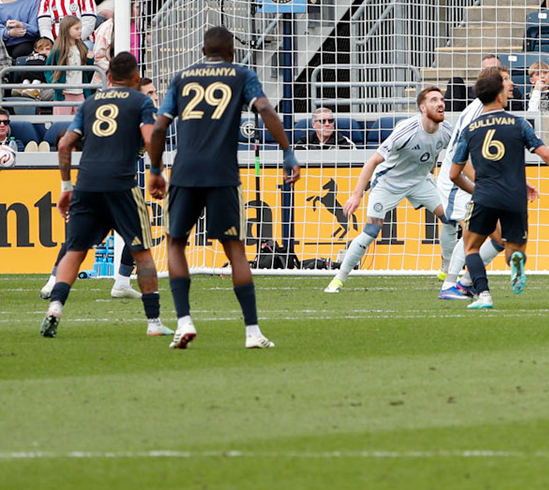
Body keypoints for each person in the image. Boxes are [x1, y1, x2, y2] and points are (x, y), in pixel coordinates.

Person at [147, 26, 299, 350]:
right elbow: (266, 110)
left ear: (203, 51)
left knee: (175, 243)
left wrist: (156, 170)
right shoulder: (241, 75)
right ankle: (252, 331)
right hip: (223, 174)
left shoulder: (182, 78)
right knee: (235, 250)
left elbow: (159, 128)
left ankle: (184, 322)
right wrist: (287, 151)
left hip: (185, 173)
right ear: (232, 52)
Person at [40, 51, 168, 339]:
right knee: (142, 251)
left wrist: (66, 188)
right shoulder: (141, 101)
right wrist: (156, 172)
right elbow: (151, 138)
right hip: (121, 184)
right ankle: (154, 322)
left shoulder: (90, 103)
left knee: (75, 251)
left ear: (108, 77)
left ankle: (55, 307)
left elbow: (64, 145)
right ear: (136, 78)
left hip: (86, 184)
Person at [445, 66, 549, 311]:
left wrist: (475, 190)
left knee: (471, 247)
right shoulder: (519, 124)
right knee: (512, 247)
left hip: (485, 195)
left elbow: (454, 174)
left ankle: (484, 295)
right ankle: (516, 261)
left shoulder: (470, 130)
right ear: (500, 96)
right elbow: (546, 154)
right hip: (515, 196)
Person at [325, 86, 455, 293]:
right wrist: (357, 195)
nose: (440, 103)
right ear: (422, 108)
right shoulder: (406, 131)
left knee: (450, 218)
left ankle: (446, 269)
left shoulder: (447, 130)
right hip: (388, 182)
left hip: (420, 181)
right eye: (433, 100)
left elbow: (452, 155)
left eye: (441, 99)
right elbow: (372, 161)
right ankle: (339, 278)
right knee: (371, 231)